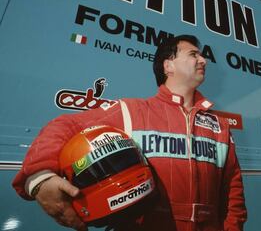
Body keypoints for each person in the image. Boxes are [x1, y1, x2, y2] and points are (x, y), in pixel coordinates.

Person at [12, 34, 247, 231]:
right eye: (193, 54)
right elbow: (64, 125)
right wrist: (40, 178)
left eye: (202, 55)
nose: (203, 60)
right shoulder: (131, 110)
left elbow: (233, 191)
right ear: (168, 65)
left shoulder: (219, 125)